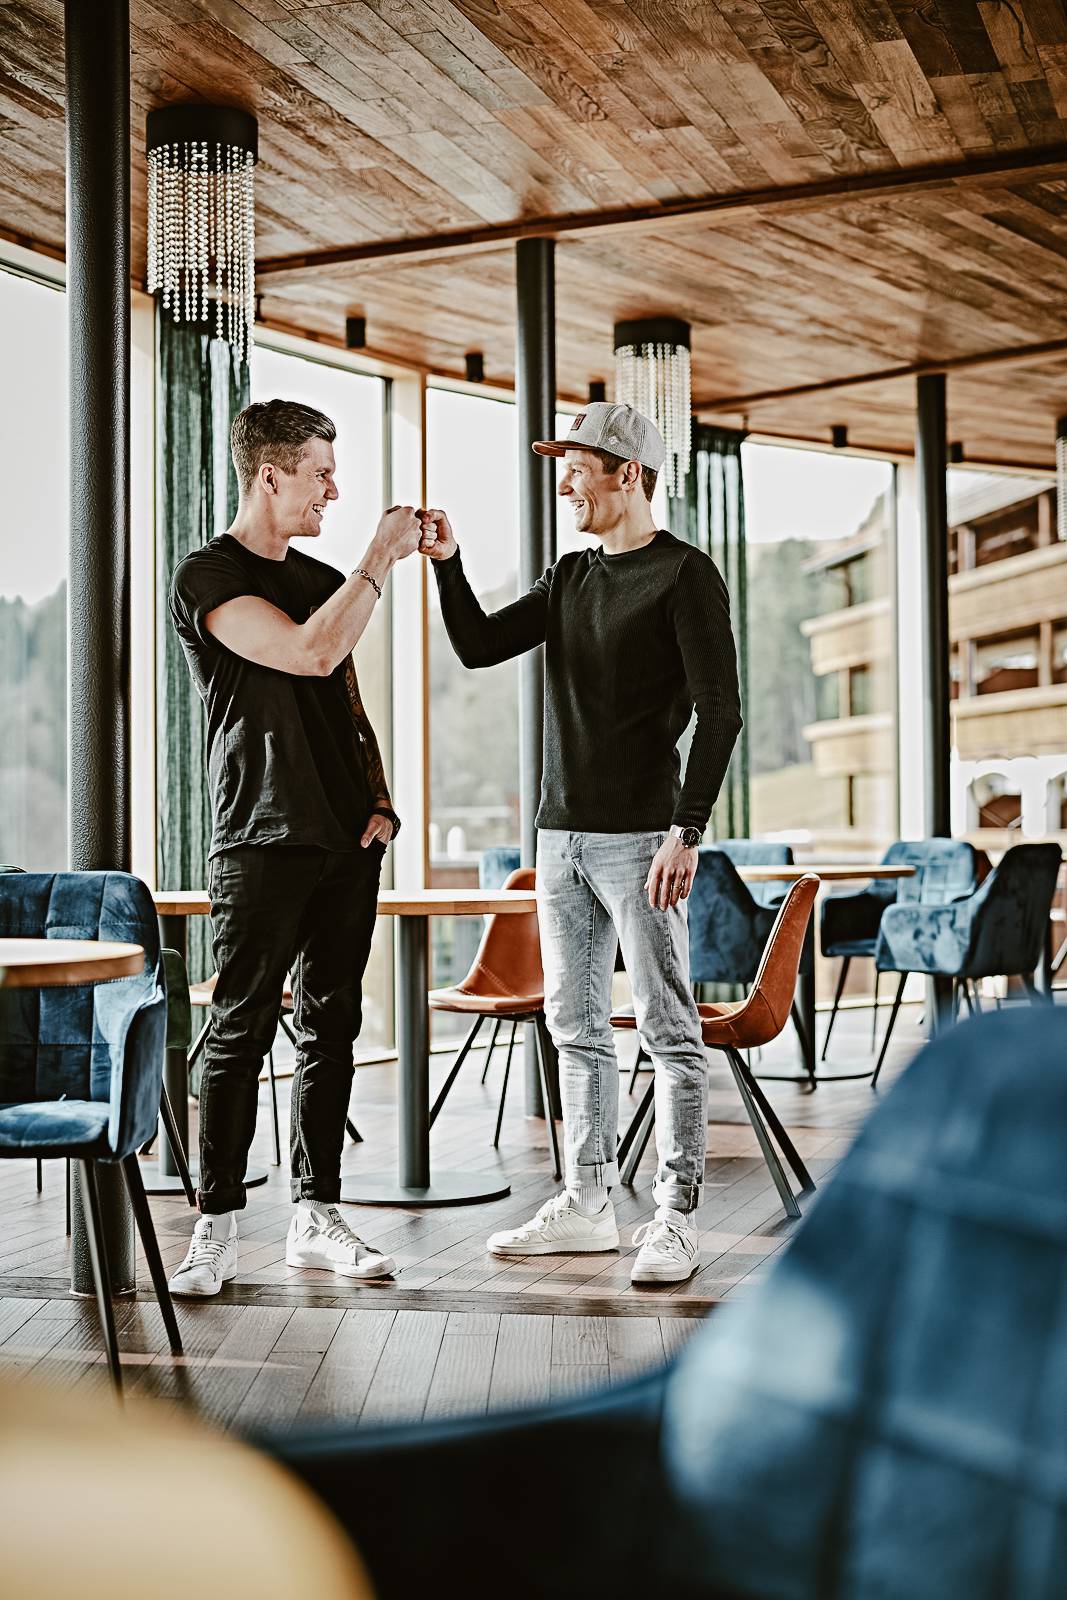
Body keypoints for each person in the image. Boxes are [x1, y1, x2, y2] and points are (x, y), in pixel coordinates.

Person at [420, 402, 742, 1284]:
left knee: (671, 1033)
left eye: (576, 467)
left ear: (625, 475)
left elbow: (722, 712)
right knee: (576, 1028)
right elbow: (479, 645)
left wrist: (688, 830)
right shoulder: (568, 577)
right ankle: (589, 1203)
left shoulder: (685, 576)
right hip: (558, 838)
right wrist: (449, 565)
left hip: (644, 841)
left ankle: (672, 1217)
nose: (563, 481)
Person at [166, 399, 422, 1297]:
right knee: (237, 1030)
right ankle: (216, 1226)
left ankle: (318, 1215)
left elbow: (343, 699)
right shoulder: (207, 574)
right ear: (268, 474)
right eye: (319, 473)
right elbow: (307, 656)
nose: (334, 489)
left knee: (333, 1027)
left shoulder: (320, 577)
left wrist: (381, 797)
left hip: (348, 838)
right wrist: (379, 558)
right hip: (260, 833)